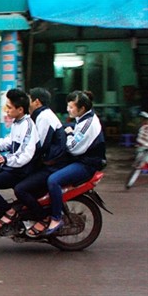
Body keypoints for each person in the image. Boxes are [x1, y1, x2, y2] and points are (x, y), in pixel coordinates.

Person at [0, 88, 40, 231]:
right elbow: (8, 141)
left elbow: (25, 155)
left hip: (21, 170)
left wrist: (5, 159)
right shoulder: (17, 122)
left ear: (20, 109)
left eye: (9, 107)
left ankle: (8, 211)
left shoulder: (28, 126)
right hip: (12, 167)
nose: (6, 110)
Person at [45, 90, 106, 235]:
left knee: (53, 180)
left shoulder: (88, 123)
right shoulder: (83, 119)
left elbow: (73, 147)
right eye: (68, 106)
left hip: (86, 164)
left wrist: (69, 133)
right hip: (79, 160)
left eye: (71, 107)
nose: (68, 109)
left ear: (82, 108)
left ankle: (56, 218)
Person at [13, 87, 70, 237]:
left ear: (36, 102)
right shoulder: (39, 116)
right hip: (47, 162)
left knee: (21, 189)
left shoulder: (44, 117)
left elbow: (39, 146)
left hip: (52, 166)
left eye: (29, 99)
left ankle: (43, 218)